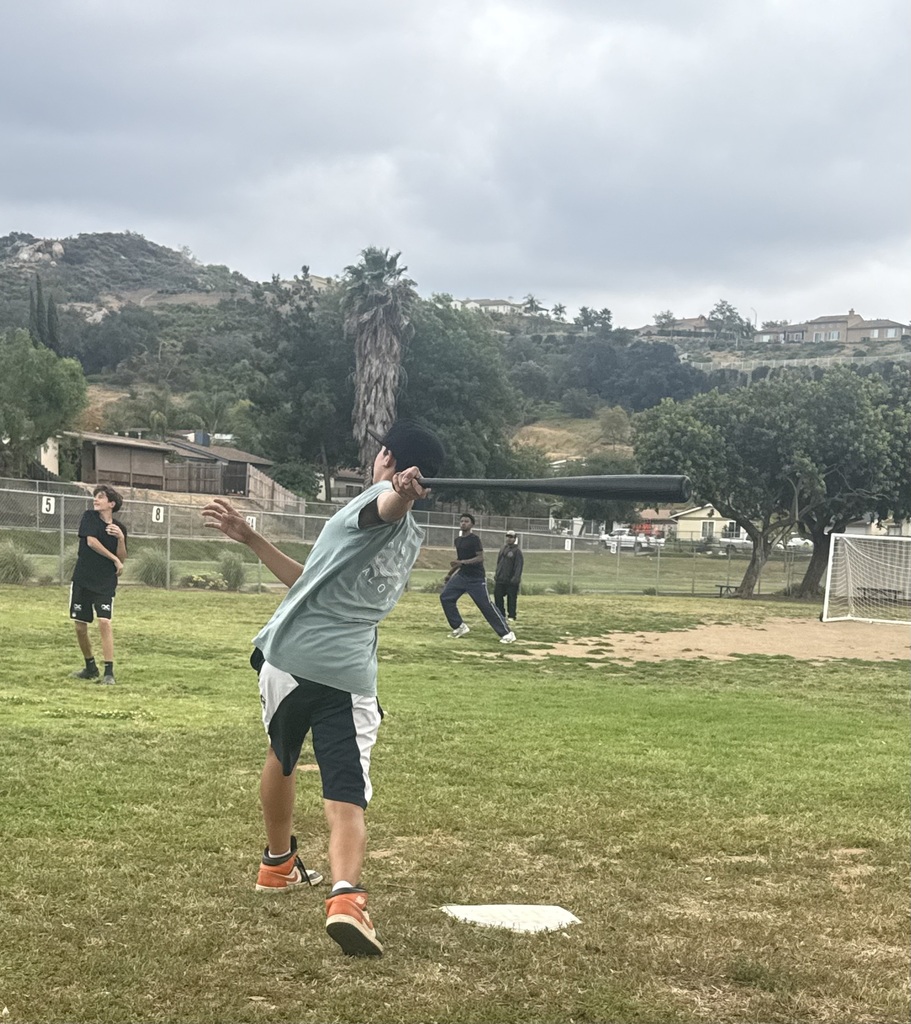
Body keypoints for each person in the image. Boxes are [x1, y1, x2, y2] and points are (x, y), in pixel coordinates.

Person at [202, 420, 445, 958]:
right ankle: (345, 897)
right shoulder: (406, 532)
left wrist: (397, 495)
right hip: (344, 673)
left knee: (281, 754)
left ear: (386, 456)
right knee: (344, 788)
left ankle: (277, 863)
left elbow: (386, 506)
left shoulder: (381, 500)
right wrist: (251, 537)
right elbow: (309, 578)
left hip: (288, 660)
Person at [69, 485, 127, 686]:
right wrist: (115, 560)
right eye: (95, 496)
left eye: (101, 497)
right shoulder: (89, 518)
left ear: (111, 504)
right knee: (80, 627)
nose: (96, 499)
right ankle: (90, 667)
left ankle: (109, 672)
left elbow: (122, 557)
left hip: (104, 582)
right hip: (83, 579)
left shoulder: (120, 528)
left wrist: (120, 539)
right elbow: (91, 543)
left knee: (104, 622)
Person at [440, 513, 516, 644]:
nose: (463, 523)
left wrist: (463, 563)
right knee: (446, 597)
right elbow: (459, 560)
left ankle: (507, 633)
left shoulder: (474, 539)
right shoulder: (458, 540)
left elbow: (480, 558)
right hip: (462, 576)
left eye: (467, 521)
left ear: (472, 525)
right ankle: (459, 626)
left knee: (485, 605)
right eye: (462, 521)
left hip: (476, 579)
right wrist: (450, 574)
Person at [493, 530, 524, 623]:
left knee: (511, 598)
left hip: (511, 580)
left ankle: (512, 615)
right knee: (497, 596)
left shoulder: (517, 551)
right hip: (500, 578)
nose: (509, 539)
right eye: (507, 537)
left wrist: (516, 578)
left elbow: (519, 566)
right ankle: (500, 614)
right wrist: (497, 573)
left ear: (515, 539)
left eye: (511, 537)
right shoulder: (503, 549)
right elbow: (499, 563)